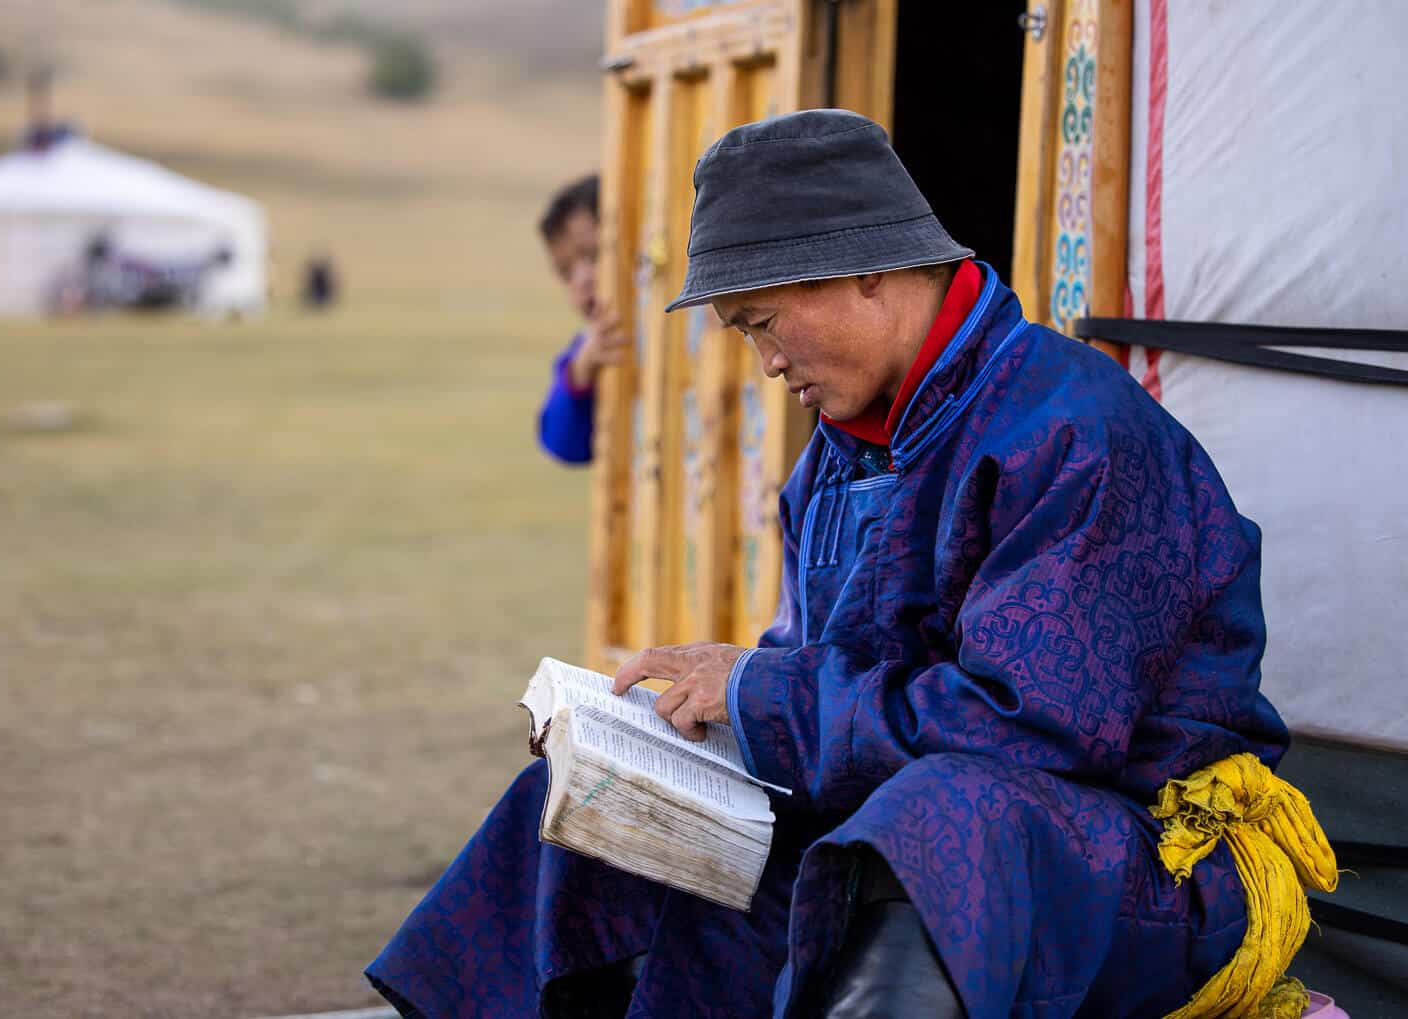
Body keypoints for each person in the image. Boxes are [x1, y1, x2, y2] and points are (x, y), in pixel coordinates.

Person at [366, 110, 1334, 1018]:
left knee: (940, 813)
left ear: (864, 272)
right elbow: (821, 679)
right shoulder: (838, 453)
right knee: (583, 810)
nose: (765, 362)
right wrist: (670, 739)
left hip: (1135, 870)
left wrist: (756, 690)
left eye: (760, 321)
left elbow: (1029, 731)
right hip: (884, 839)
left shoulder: (1074, 433)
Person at [536, 174, 629, 464]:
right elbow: (562, 444)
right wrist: (582, 370)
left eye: (595, 255)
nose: (582, 280)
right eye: (567, 273)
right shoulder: (592, 348)